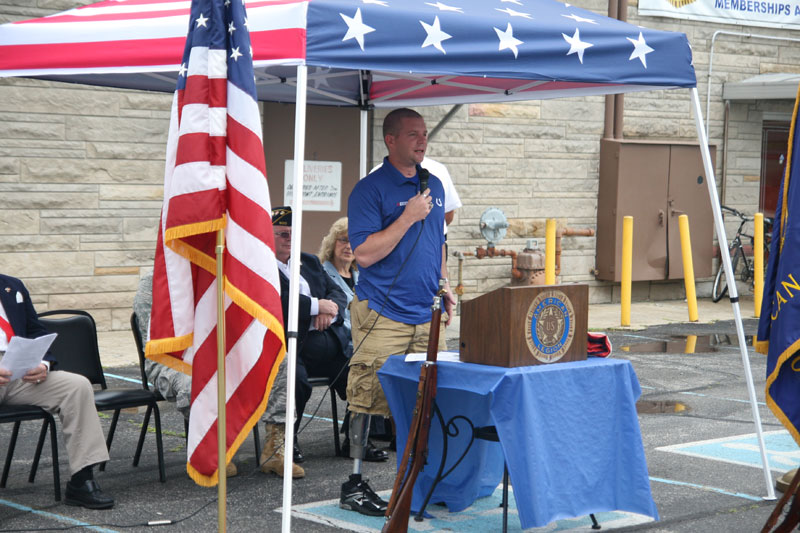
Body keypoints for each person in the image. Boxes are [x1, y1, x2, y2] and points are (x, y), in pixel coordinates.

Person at [340, 108, 455, 516]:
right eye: (412, 135)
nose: (422, 141)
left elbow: (437, 242)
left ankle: (419, 476)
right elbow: (366, 255)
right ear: (390, 141)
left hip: (427, 312)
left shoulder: (435, 185)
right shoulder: (370, 190)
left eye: (424, 134)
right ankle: (354, 483)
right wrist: (407, 216)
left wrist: (445, 283)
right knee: (368, 393)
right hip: (384, 313)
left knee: (426, 396)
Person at [0, 274, 114, 509]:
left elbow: (35, 330)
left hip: (17, 369)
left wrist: (43, 364)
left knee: (77, 386)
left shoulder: (12, 286)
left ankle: (82, 480)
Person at [134, 272, 240, 478]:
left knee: (280, 362)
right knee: (194, 384)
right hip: (169, 360)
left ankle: (276, 445)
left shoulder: (212, 273)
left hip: (213, 354)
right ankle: (211, 449)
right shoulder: (154, 282)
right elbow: (155, 339)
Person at [271, 206, 351, 467]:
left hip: (326, 342)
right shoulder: (260, 266)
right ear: (267, 235)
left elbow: (335, 291)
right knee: (297, 383)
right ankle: (287, 441)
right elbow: (277, 301)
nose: (288, 239)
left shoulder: (310, 261)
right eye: (282, 233)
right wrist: (317, 306)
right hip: (290, 345)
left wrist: (332, 309)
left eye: (293, 233)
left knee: (362, 373)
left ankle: (356, 439)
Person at [317, 218, 389, 462]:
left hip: (362, 344)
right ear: (332, 243)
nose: (348, 246)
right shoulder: (321, 273)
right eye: (343, 240)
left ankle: (382, 434)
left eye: (353, 241)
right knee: (366, 370)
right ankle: (357, 439)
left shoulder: (362, 277)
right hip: (337, 346)